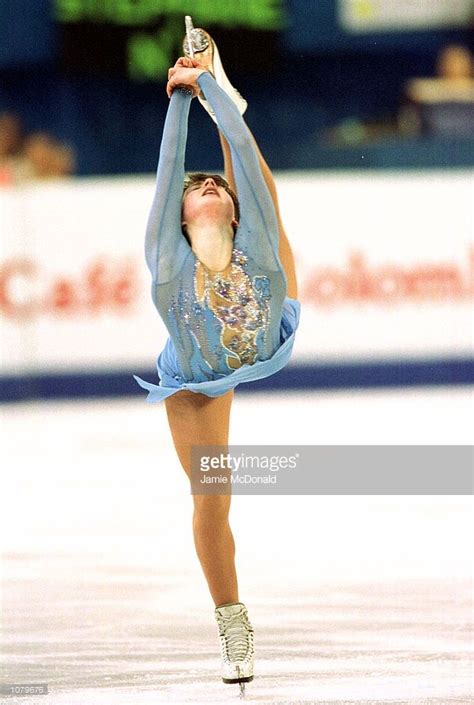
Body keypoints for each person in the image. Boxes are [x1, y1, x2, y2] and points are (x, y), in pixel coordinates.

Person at [133, 28, 300, 688]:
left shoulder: (254, 246)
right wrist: (181, 96)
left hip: (260, 327)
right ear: (179, 217)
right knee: (212, 493)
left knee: (273, 217)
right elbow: (170, 169)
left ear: (230, 214)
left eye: (216, 187)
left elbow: (246, 183)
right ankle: (233, 619)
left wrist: (212, 94)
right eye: (195, 188)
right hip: (197, 366)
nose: (204, 186)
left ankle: (231, 97)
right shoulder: (168, 267)